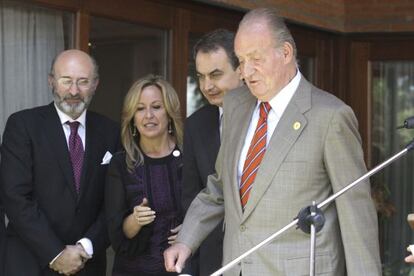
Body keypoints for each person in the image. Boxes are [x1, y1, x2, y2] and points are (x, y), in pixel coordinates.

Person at [164, 7, 381, 276]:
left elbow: (356, 215)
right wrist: (186, 240)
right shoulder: (235, 105)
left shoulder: (331, 117)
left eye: (256, 58)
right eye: (241, 60)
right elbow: (219, 189)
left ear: (286, 53)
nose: (246, 71)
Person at [0, 49, 120, 275]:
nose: (74, 91)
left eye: (83, 82)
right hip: (30, 263)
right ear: (51, 82)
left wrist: (86, 246)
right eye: (66, 81)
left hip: (87, 264)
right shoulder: (23, 125)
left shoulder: (111, 132)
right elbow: (14, 197)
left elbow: (113, 202)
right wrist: (56, 253)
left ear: (95, 84)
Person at [105, 75, 184, 276]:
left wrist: (191, 233)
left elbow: (211, 208)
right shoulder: (121, 164)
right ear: (132, 117)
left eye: (156, 107)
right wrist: (135, 219)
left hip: (184, 268)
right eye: (140, 109)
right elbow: (118, 236)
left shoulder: (188, 157)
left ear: (169, 112)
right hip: (134, 270)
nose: (148, 115)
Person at [182, 29, 243, 276]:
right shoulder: (196, 125)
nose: (207, 86)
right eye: (200, 76)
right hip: (212, 263)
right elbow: (192, 199)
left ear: (241, 69)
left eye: (216, 75)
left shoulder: (266, 120)